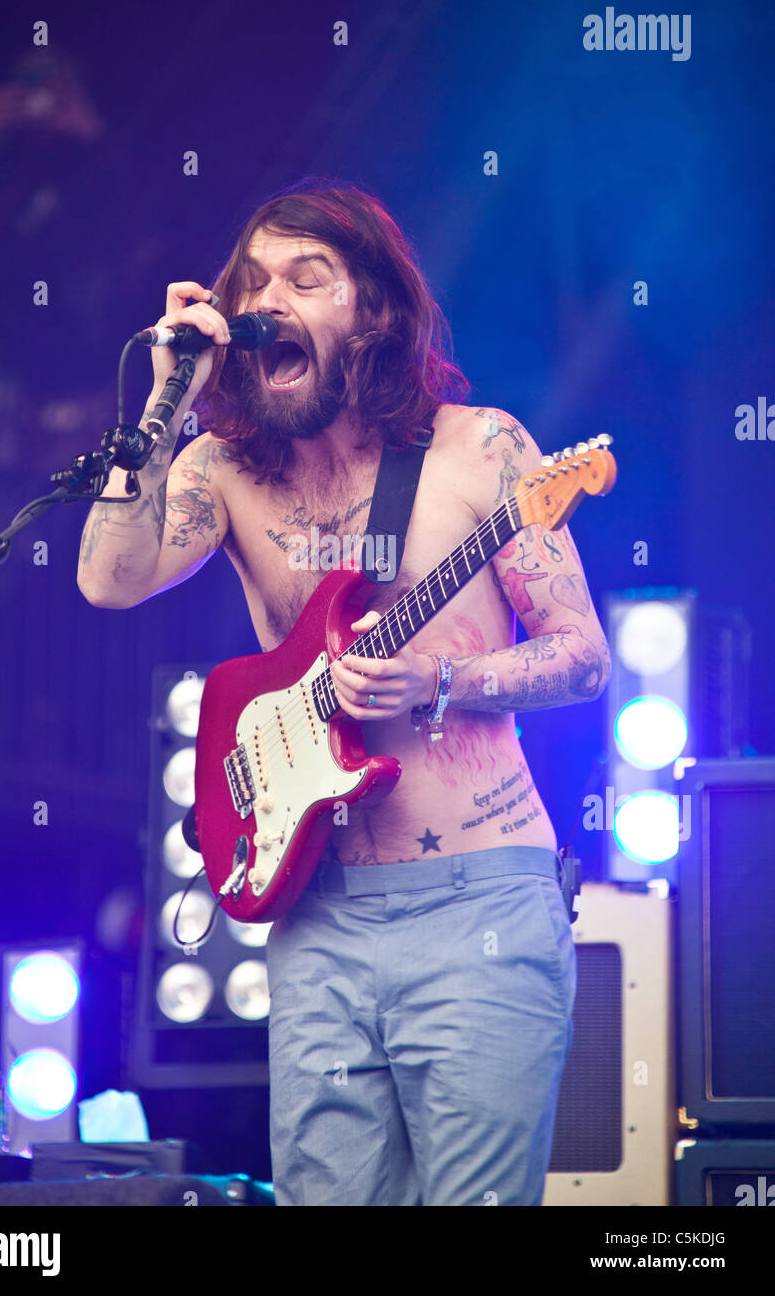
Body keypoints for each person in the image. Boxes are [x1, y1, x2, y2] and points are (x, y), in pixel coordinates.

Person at [77, 178, 611, 1207]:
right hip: (316, 915)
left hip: (478, 905)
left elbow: (581, 656)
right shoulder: (220, 467)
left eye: (304, 278)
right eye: (252, 280)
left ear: (367, 313)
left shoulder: (481, 448)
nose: (267, 299)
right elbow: (107, 577)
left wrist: (439, 676)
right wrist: (161, 401)